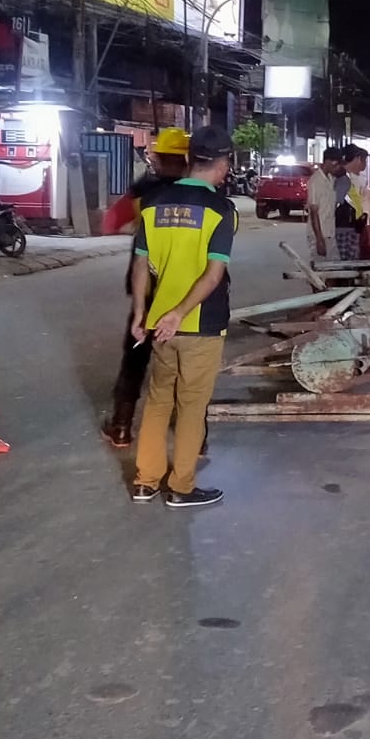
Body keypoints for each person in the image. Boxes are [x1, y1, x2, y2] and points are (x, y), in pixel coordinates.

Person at [128, 124, 237, 508]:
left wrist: (141, 312)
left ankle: (145, 482)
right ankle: (182, 487)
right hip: (200, 324)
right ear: (222, 163)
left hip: (160, 326)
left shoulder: (152, 203)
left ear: (190, 159)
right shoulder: (221, 210)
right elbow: (213, 274)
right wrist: (180, 313)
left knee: (158, 401)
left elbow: (140, 263)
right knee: (191, 406)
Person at [101, 127, 189, 447]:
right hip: (187, 293)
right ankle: (196, 437)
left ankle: (122, 426)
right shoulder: (201, 194)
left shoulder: (143, 192)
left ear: (157, 157)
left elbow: (110, 222)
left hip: (148, 288)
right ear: (188, 160)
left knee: (136, 358)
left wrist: (140, 225)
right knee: (189, 364)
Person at [335, 144, 370, 261]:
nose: (365, 164)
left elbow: (359, 203)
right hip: (344, 227)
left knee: (355, 260)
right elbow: (335, 204)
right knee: (346, 263)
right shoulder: (342, 178)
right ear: (357, 159)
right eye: (364, 160)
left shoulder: (353, 177)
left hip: (354, 226)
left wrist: (366, 222)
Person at [305, 145, 344, 261]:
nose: (338, 168)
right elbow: (313, 212)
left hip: (330, 233)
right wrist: (319, 239)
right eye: (336, 164)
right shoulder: (315, 181)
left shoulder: (331, 179)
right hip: (319, 235)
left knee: (334, 267)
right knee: (321, 268)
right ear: (328, 162)